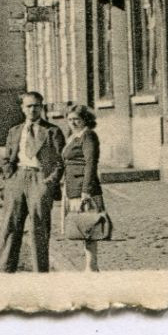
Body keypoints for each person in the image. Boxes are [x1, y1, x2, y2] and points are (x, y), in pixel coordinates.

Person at [0, 90, 66, 272]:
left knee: (39, 228)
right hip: (17, 178)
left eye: (36, 106)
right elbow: (7, 157)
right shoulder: (15, 131)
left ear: (42, 108)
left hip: (40, 179)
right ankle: (4, 272)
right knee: (10, 226)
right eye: (29, 106)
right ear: (22, 108)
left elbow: (60, 161)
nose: (33, 109)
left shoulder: (52, 131)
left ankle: (39, 274)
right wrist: (9, 177)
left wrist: (49, 183)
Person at [62, 104, 106, 272]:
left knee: (89, 226)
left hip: (84, 189)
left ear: (85, 120)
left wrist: (86, 191)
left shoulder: (88, 136)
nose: (73, 123)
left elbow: (90, 164)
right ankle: (89, 265)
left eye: (77, 119)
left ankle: (91, 266)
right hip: (72, 188)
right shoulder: (73, 136)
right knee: (81, 226)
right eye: (70, 119)